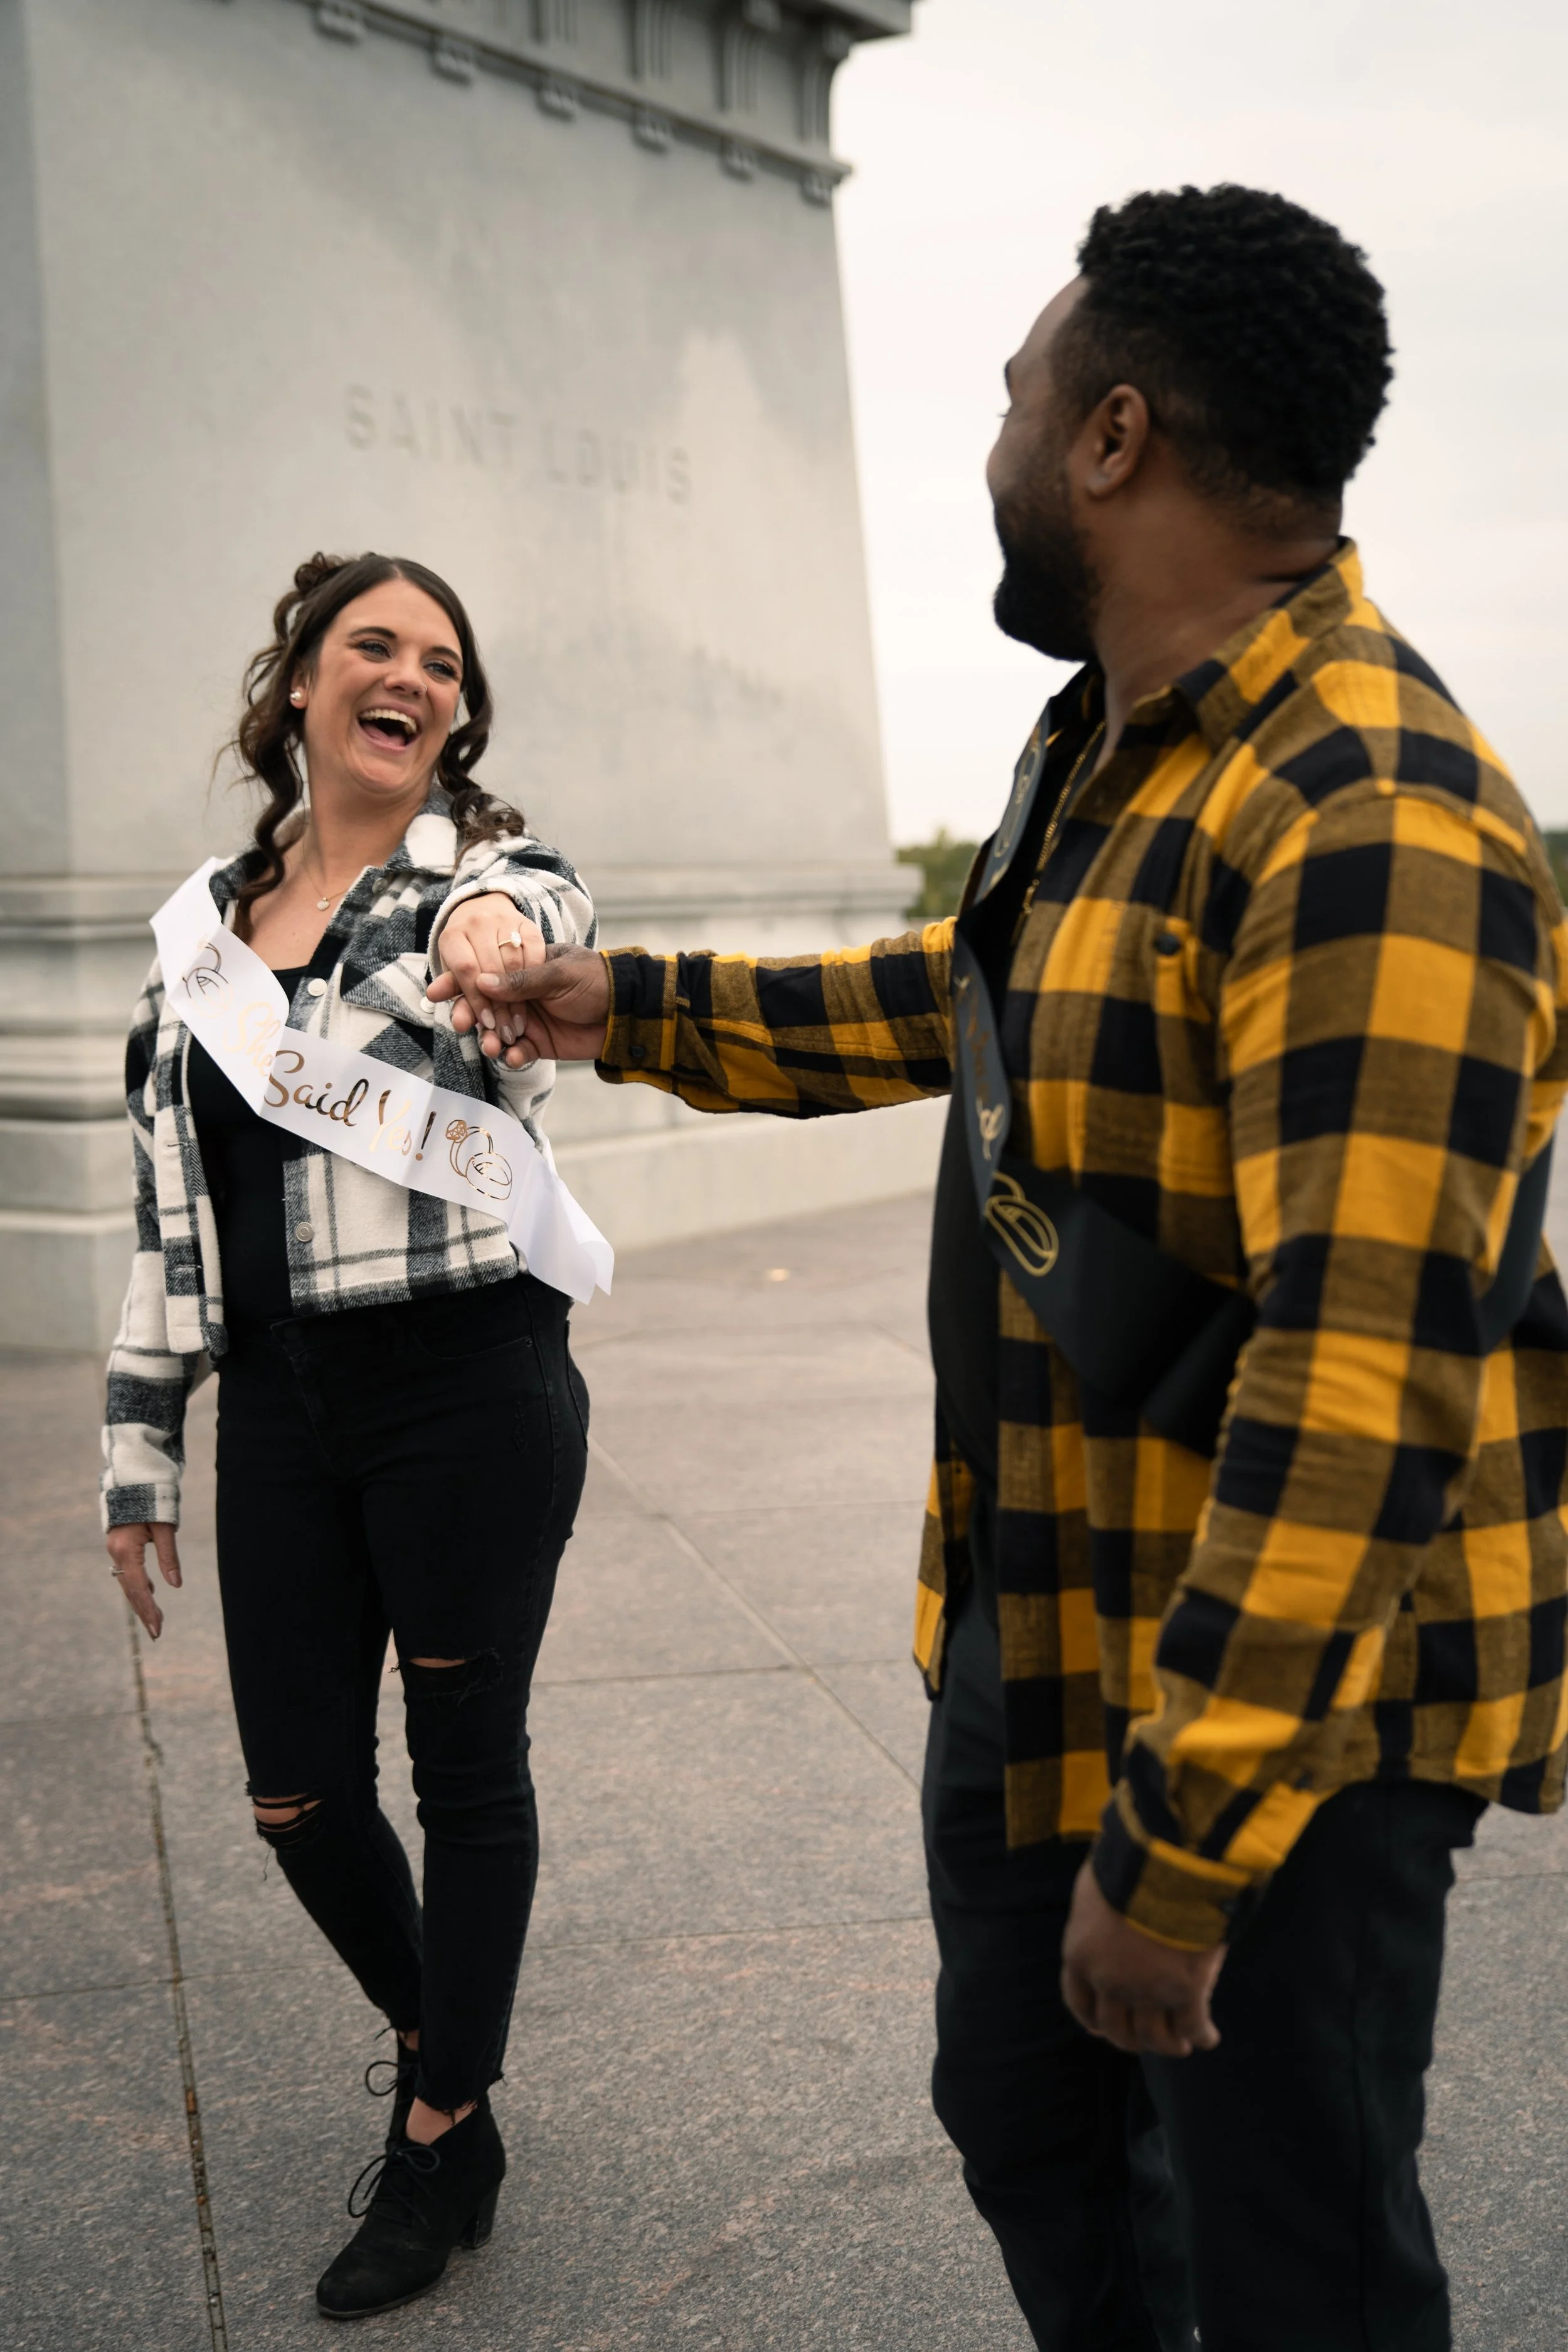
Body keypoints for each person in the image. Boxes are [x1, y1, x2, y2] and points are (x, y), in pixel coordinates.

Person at [433, 187, 1568, 2351]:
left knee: (1293, 2261)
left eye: (1010, 400)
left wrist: (1185, 1841)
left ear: (1112, 436)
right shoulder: (1115, 742)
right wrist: (627, 1002)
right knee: (1029, 2122)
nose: (994, 441)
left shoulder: (1372, 812)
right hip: (1044, 1623)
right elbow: (965, 1000)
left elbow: (1360, 1392)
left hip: (1282, 1731)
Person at [101, 551, 600, 2321]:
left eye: (444, 664)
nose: (412, 676)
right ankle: (439, 2041)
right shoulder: (195, 954)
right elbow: (172, 1221)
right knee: (297, 1791)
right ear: (301, 684)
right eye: (374, 646)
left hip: (468, 1384)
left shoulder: (465, 886)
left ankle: (442, 2122)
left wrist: (502, 934)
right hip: (286, 1414)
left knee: (465, 1770)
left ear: (454, 718)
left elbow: (538, 909)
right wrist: (140, 1440)